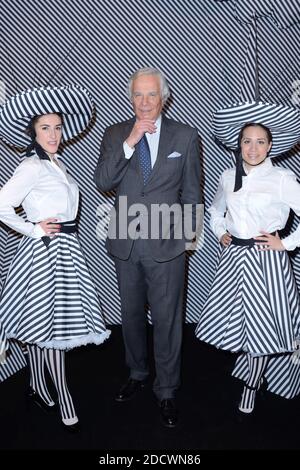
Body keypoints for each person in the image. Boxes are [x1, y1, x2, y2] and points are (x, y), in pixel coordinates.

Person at [94, 67, 201, 427]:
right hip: (126, 240)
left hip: (167, 245)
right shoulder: (114, 134)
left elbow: (192, 193)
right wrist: (130, 141)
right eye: (138, 95)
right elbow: (103, 181)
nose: (144, 102)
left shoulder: (185, 137)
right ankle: (137, 372)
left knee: (168, 320)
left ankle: (167, 389)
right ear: (130, 97)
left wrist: (185, 241)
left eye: (151, 94)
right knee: (131, 316)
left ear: (164, 97)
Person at [0, 85, 110, 432]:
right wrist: (33, 230)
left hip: (65, 250)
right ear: (33, 131)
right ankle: (62, 394)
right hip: (45, 253)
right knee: (51, 327)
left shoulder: (55, 164)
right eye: (45, 128)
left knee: (42, 323)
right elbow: (2, 204)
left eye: (58, 127)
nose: (54, 134)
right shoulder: (31, 166)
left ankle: (36, 385)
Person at [196, 118, 300, 414]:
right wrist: (220, 232)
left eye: (259, 142)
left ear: (270, 146)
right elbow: (216, 210)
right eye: (247, 141)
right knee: (241, 324)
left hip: (266, 261)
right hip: (233, 262)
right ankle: (251, 373)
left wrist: (287, 243)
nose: (252, 148)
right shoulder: (228, 176)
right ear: (239, 144)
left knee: (262, 326)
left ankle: (252, 384)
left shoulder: (282, 178)